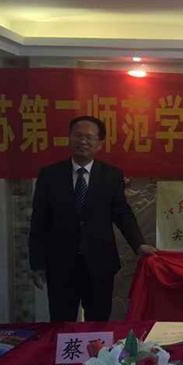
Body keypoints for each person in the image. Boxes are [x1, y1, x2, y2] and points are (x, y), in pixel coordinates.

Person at [29, 116, 157, 322]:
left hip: (100, 264)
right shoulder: (50, 175)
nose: (82, 141)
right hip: (60, 265)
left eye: (89, 137)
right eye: (78, 135)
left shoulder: (111, 175)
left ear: (99, 144)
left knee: (98, 325)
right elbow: (38, 221)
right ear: (69, 138)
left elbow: (122, 213)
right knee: (62, 324)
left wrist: (139, 244)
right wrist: (37, 263)